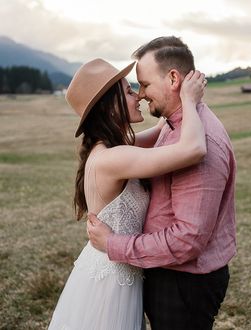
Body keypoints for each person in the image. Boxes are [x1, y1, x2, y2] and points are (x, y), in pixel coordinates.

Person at [87, 36, 237, 330]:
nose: (140, 95)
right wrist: (185, 101)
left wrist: (114, 244)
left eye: (143, 84)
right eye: (134, 88)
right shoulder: (173, 125)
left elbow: (187, 240)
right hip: (165, 272)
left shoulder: (197, 141)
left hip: (184, 281)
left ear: (172, 78)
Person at [48, 57, 207, 330]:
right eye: (129, 91)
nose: (139, 95)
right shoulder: (113, 158)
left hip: (120, 271)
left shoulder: (114, 147)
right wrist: (190, 102)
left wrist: (176, 94)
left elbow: (161, 130)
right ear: (111, 106)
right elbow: (193, 149)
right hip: (109, 283)